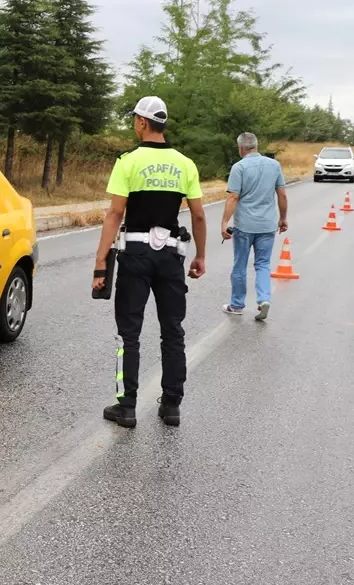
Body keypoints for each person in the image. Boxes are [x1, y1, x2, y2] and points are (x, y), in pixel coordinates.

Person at [91, 95, 207, 429]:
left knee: (128, 333)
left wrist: (101, 262)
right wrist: (200, 255)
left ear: (142, 122)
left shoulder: (127, 161)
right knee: (173, 331)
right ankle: (171, 405)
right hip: (171, 255)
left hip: (136, 254)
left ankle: (125, 406)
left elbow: (115, 213)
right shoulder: (185, 163)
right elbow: (198, 214)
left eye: (134, 120)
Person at [220, 132, 288, 321]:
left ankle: (237, 304)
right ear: (257, 146)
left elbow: (233, 196)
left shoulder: (239, 167)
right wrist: (283, 218)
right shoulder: (274, 166)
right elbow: (282, 195)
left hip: (245, 225)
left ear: (241, 148)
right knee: (263, 264)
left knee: (240, 263)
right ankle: (264, 299)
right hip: (267, 225)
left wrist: (225, 222)